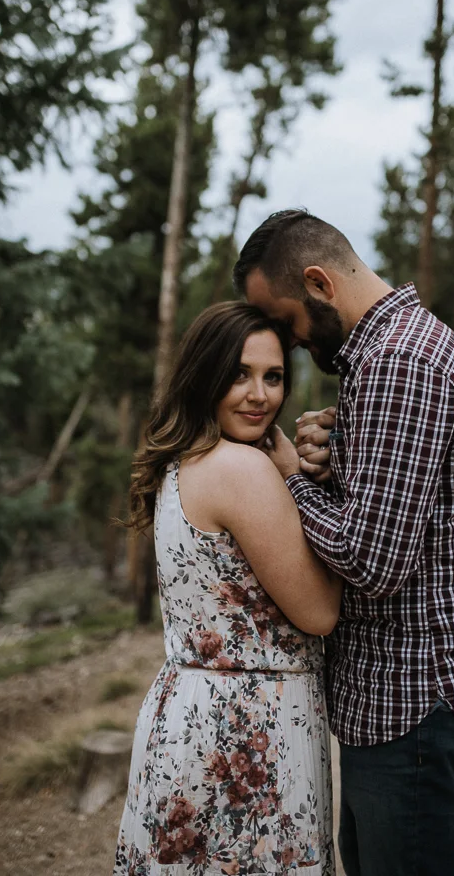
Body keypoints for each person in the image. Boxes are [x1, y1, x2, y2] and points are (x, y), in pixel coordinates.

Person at [234, 209, 454, 876]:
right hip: (401, 708)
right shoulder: (387, 357)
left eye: (285, 321)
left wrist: (288, 478)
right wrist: (332, 460)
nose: (290, 341)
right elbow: (400, 510)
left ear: (317, 283)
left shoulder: (399, 362)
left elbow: (371, 559)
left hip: (419, 706)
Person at [113, 301, 340, 876]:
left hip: (185, 713)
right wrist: (298, 477)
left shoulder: (182, 462)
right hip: (245, 729)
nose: (259, 395)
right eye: (239, 374)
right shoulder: (243, 470)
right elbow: (318, 612)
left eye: (273, 376)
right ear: (205, 375)